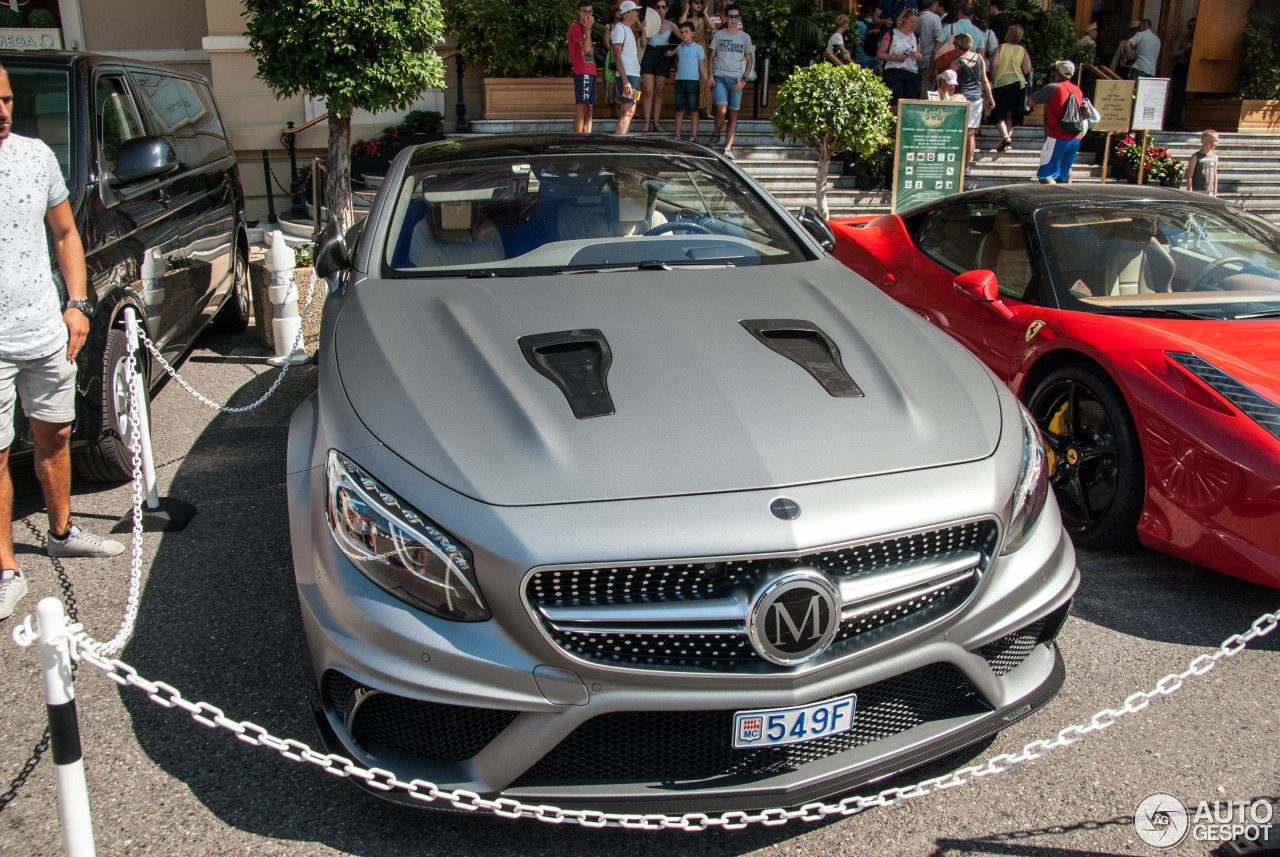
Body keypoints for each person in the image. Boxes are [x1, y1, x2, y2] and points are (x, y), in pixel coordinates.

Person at [0, 64, 125, 621]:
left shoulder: (35, 156)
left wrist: (77, 304)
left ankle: (62, 530)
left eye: (5, 99)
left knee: (57, 437)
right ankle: (6, 570)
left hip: (45, 332)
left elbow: (66, 233)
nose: (2, 109)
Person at [1027, 59, 1085, 184]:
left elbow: (1030, 102)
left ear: (1057, 73)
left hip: (1057, 137)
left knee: (1045, 175)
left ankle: (1052, 201)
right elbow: (1087, 113)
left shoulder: (1053, 88)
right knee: (1064, 175)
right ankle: (1066, 200)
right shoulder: (1077, 90)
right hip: (1075, 138)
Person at [709, 3, 753, 159]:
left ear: (739, 18)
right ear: (726, 18)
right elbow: (712, 57)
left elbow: (749, 60)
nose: (733, 20)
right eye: (731, 17)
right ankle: (716, 132)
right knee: (721, 110)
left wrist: (744, 80)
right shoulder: (719, 35)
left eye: (736, 17)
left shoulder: (745, 37)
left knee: (733, 113)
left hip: (736, 79)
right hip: (720, 77)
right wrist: (710, 75)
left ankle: (727, 147)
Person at [950, 32, 993, 170]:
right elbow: (984, 79)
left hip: (960, 98)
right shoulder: (979, 58)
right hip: (976, 98)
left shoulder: (956, 62)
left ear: (958, 45)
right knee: (971, 133)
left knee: (958, 131)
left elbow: (951, 84)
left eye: (954, 43)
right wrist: (990, 98)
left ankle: (956, 163)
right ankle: (966, 165)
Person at [989, 24, 1030, 151]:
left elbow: (993, 64)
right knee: (1012, 113)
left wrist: (993, 78)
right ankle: (1007, 139)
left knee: (998, 112)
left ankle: (1005, 137)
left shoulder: (1001, 47)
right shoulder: (1022, 50)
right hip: (1018, 82)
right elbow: (1027, 68)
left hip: (1001, 82)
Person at [640, 1, 678, 133]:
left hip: (663, 55)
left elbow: (686, 38)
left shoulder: (671, 25)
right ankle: (646, 122)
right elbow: (643, 44)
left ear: (667, 9)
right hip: (650, 53)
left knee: (659, 91)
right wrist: (644, 29)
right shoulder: (648, 23)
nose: (661, 9)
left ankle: (656, 122)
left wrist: (673, 52)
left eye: (664, 7)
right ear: (654, 9)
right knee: (648, 91)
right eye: (658, 7)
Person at [672, 21, 709, 141]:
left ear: (692, 33)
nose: (684, 34)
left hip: (693, 81)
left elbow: (701, 65)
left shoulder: (698, 48)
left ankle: (694, 136)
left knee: (693, 109)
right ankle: (677, 135)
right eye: (682, 32)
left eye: (686, 32)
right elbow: (677, 60)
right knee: (679, 109)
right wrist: (677, 72)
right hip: (680, 81)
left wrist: (708, 78)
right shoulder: (679, 48)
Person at [878, 7, 922, 108]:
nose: (913, 24)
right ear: (904, 19)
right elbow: (880, 54)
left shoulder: (915, 36)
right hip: (894, 71)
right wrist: (895, 57)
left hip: (911, 72)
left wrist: (918, 55)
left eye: (916, 22)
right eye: (911, 21)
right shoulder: (891, 33)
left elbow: (919, 57)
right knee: (893, 104)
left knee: (909, 104)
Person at [680, 0, 716, 119]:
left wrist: (705, 12)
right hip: (689, 50)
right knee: (692, 79)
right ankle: (692, 110)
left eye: (701, 2)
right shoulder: (687, 19)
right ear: (690, 4)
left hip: (702, 50)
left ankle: (705, 110)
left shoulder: (703, 19)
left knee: (704, 79)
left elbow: (712, 26)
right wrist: (685, 9)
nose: (699, 5)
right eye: (696, 2)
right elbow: (681, 23)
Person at [612, 0, 643, 134]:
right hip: (628, 76)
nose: (637, 13)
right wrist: (625, 80)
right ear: (630, 12)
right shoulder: (619, 29)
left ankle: (623, 140)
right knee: (629, 110)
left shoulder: (627, 29)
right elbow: (616, 54)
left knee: (627, 110)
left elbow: (641, 28)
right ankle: (619, 142)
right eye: (636, 11)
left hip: (633, 75)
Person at [568, 0, 597, 133]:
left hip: (591, 70)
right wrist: (588, 28)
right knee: (582, 106)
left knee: (590, 109)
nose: (588, 14)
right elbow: (585, 48)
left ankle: (587, 138)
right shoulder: (575, 28)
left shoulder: (586, 28)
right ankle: (577, 138)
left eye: (590, 11)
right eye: (585, 11)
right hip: (582, 71)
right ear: (579, 12)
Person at [1168, 17, 1195, 130]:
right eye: (1190, 27)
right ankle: (1174, 122)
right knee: (1177, 96)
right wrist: (1186, 49)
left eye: (1194, 27)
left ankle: (1190, 122)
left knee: (1191, 97)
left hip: (1195, 69)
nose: (1192, 30)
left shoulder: (1202, 39)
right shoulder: (1183, 38)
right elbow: (1173, 53)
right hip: (1182, 68)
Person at [916, 0, 945, 96]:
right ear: (932, 5)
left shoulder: (916, 17)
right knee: (927, 90)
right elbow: (939, 38)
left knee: (914, 89)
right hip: (930, 61)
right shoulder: (935, 18)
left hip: (914, 59)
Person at [1186, 129, 1219, 196]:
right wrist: (1190, 192)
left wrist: (1215, 193)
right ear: (1202, 141)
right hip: (1197, 190)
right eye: (1211, 141)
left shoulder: (1215, 157)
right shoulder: (1196, 157)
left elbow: (1215, 176)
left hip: (1210, 191)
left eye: (1216, 141)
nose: (1213, 143)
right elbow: (1189, 176)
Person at [854, 3, 880, 70]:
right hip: (875, 57)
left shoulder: (858, 24)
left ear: (863, 13)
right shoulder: (878, 25)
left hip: (861, 58)